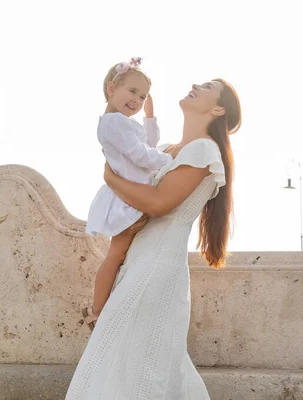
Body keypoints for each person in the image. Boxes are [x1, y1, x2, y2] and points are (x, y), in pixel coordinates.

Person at [67, 78, 242, 399]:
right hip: (137, 262)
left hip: (158, 267)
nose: (195, 84)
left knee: (143, 364)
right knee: (129, 360)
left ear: (218, 109)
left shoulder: (203, 149)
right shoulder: (165, 151)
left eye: (206, 86)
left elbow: (158, 203)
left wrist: (109, 177)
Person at [83, 58, 173, 329]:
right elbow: (142, 155)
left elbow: (149, 144)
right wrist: (170, 162)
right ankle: (98, 312)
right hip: (127, 198)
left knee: (123, 256)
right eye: (132, 91)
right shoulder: (112, 124)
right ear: (112, 88)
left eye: (142, 95)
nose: (138, 99)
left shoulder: (123, 122)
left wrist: (149, 117)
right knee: (116, 254)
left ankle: (107, 308)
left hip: (134, 192)